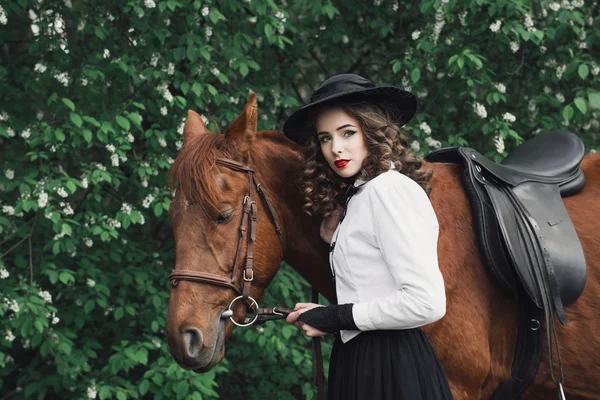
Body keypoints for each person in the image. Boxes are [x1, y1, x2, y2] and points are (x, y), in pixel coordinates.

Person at [282, 74, 453, 400]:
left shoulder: (388, 190)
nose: (336, 148)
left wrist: (336, 316)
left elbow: (427, 303)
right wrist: (326, 315)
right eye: (325, 138)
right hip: (361, 359)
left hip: (390, 366)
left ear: (372, 132)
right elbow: (372, 290)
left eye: (347, 133)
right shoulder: (359, 195)